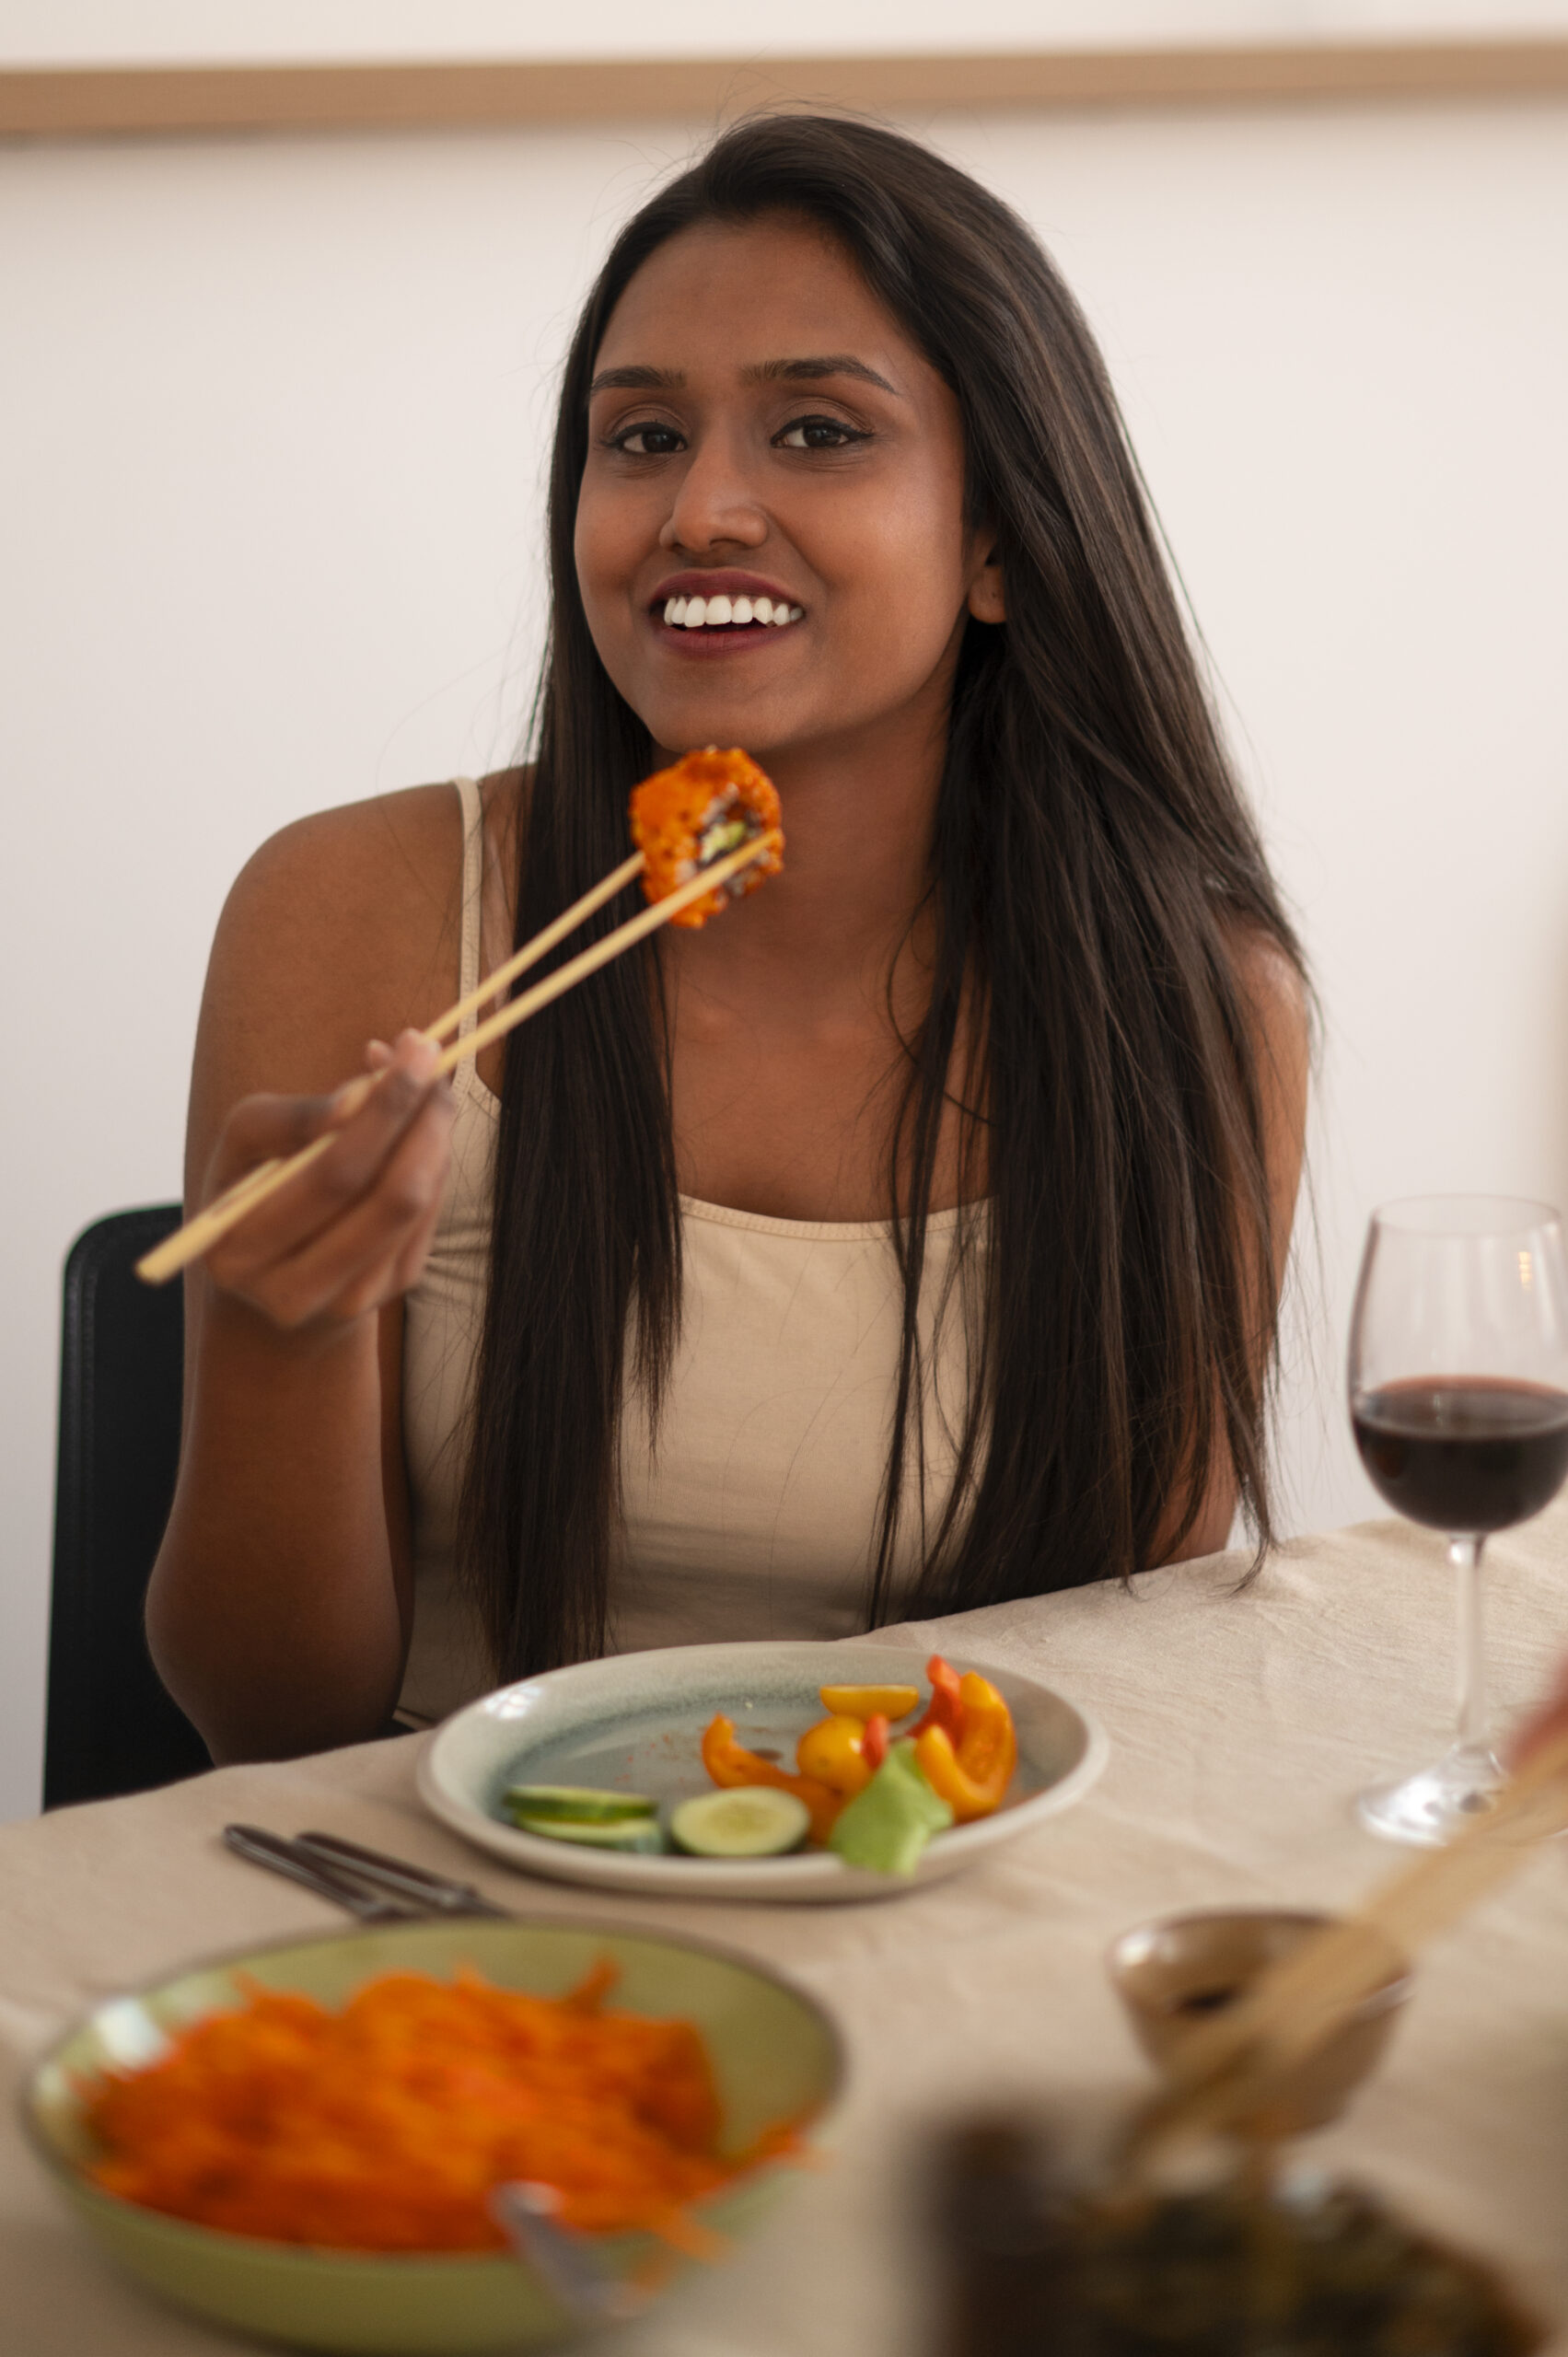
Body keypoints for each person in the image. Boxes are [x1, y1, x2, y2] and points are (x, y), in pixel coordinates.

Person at [145, 115, 1310, 1763]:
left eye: (819, 431)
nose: (700, 509)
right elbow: (266, 1717)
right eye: (638, 441)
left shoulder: (1193, 1007)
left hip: (931, 1883)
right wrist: (290, 1329)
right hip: (421, 1904)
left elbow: (1133, 1677)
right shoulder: (352, 913)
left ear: (999, 540)